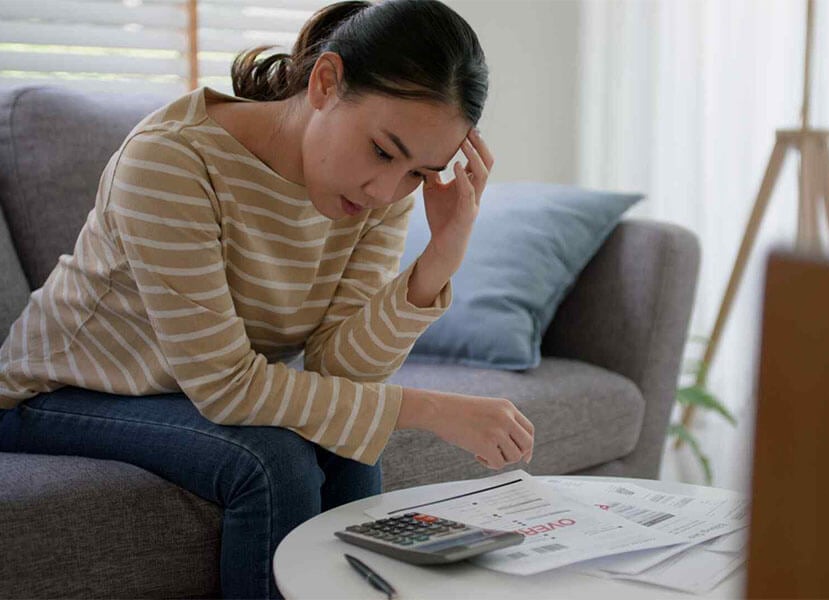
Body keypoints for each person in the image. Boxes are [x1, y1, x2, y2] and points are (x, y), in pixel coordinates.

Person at [0, 0, 535, 597]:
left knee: (348, 447)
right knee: (270, 459)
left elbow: (341, 368)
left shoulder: (377, 193)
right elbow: (226, 386)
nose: (388, 188)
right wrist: (435, 410)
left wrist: (441, 256)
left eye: (418, 172)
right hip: (55, 394)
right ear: (326, 82)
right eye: (383, 151)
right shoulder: (171, 159)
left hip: (180, 393)